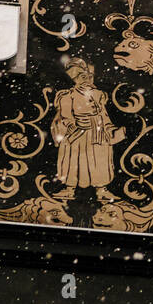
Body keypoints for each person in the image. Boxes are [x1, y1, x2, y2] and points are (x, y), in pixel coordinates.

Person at [50, 58, 124, 203]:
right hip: (77, 133)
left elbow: (103, 114)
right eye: (83, 77)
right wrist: (73, 126)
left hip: (97, 131)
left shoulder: (99, 95)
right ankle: (69, 188)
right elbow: (65, 115)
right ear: (75, 79)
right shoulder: (68, 95)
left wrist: (110, 129)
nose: (87, 80)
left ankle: (101, 189)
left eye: (90, 76)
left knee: (100, 160)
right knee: (73, 160)